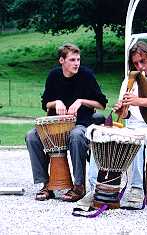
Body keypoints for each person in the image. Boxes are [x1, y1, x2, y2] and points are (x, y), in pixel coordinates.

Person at [80, 41, 147, 205]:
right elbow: (125, 115)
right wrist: (122, 110)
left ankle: (137, 188)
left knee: (136, 137)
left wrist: (138, 101)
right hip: (131, 127)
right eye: (135, 63)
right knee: (100, 137)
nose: (139, 66)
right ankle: (95, 189)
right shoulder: (129, 81)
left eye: (142, 61)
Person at [25, 43, 108, 202]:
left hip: (81, 124)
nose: (76, 63)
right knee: (31, 136)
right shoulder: (53, 76)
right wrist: (56, 102)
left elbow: (101, 104)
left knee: (76, 136)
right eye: (72, 60)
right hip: (55, 126)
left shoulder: (86, 76)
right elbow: (45, 105)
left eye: (78, 59)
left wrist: (82, 101)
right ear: (61, 61)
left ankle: (78, 186)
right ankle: (46, 184)